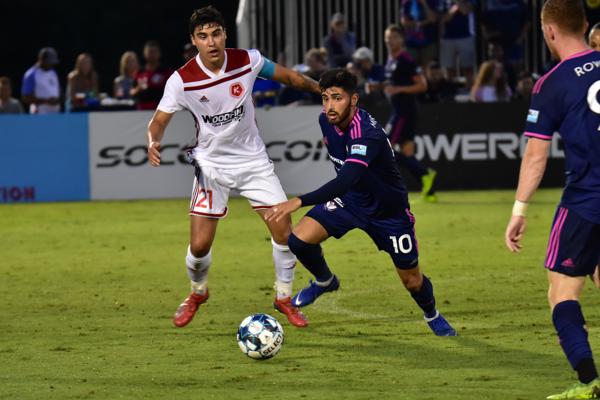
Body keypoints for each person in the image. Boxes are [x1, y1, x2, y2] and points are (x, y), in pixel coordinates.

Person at [147, 6, 321, 329]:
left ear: (225, 34)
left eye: (215, 34)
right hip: (211, 165)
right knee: (199, 247)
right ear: (194, 41)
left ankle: (284, 298)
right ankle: (197, 292)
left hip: (253, 161)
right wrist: (153, 140)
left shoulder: (248, 61)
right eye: (203, 36)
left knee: (285, 234)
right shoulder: (181, 80)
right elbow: (158, 121)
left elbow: (290, 77)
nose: (211, 42)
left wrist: (319, 89)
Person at [264, 69, 456, 336]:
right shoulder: (325, 121)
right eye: (325, 98)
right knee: (298, 240)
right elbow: (345, 181)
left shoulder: (366, 133)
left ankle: (432, 314)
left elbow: (345, 180)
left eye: (337, 98)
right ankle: (325, 281)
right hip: (350, 202)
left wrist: (299, 200)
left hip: (388, 213)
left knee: (412, 281)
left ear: (353, 100)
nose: (330, 106)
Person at [504, 0, 600, 397]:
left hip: (586, 201)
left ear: (549, 31)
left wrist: (519, 209)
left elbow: (536, 154)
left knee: (562, 292)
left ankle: (590, 382)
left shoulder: (552, 83)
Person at [383, 24, 437, 202]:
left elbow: (422, 85)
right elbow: (393, 84)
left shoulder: (406, 59)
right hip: (398, 110)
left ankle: (424, 173)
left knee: (385, 148)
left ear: (402, 39)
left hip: (404, 112)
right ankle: (429, 190)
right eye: (388, 37)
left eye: (394, 37)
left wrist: (398, 89)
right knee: (406, 152)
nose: (391, 40)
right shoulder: (391, 60)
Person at [439, 0, 477, 83]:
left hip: (465, 36)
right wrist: (454, 10)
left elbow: (465, 10)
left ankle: (469, 87)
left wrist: (457, 3)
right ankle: (451, 87)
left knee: (468, 66)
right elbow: (444, 18)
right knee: (449, 67)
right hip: (447, 37)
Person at [401, 0, 441, 68]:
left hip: (428, 42)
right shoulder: (407, 2)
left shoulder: (432, 2)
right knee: (411, 68)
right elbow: (404, 22)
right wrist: (422, 23)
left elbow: (433, 19)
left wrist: (424, 3)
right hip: (411, 43)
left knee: (428, 69)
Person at [21, 47, 61, 114]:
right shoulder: (31, 74)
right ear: (41, 59)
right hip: (39, 115)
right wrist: (46, 101)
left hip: (55, 114)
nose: (51, 64)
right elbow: (26, 97)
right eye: (49, 62)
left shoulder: (53, 73)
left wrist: (59, 99)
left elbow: (56, 91)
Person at [134, 41, 171, 110]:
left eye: (154, 52)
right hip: (141, 111)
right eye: (150, 52)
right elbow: (132, 91)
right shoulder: (140, 72)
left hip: (161, 111)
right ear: (144, 53)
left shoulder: (166, 71)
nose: (152, 54)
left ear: (159, 54)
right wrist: (137, 89)